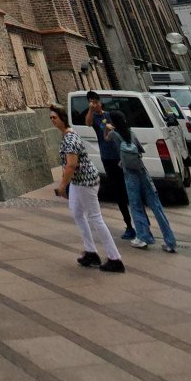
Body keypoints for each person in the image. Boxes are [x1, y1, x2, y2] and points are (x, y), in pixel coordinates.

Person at [50, 103, 125, 272]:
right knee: (77, 212)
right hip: (78, 181)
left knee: (95, 217)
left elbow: (71, 165)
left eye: (55, 117)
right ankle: (91, 252)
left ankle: (115, 258)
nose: (52, 120)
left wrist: (62, 186)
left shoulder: (70, 139)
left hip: (85, 181)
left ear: (63, 118)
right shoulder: (68, 134)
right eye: (51, 118)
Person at [103, 110, 176, 253]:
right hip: (142, 171)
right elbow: (139, 151)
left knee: (135, 205)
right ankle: (170, 241)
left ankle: (143, 237)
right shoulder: (131, 133)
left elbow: (105, 139)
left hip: (130, 174)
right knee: (156, 206)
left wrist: (106, 128)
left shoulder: (114, 134)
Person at [84, 91, 135, 240]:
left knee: (131, 190)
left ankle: (140, 224)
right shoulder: (94, 117)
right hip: (108, 159)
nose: (94, 104)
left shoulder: (111, 115)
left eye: (96, 102)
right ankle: (129, 225)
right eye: (91, 102)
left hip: (122, 157)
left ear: (100, 102)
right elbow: (88, 123)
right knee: (119, 193)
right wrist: (90, 110)